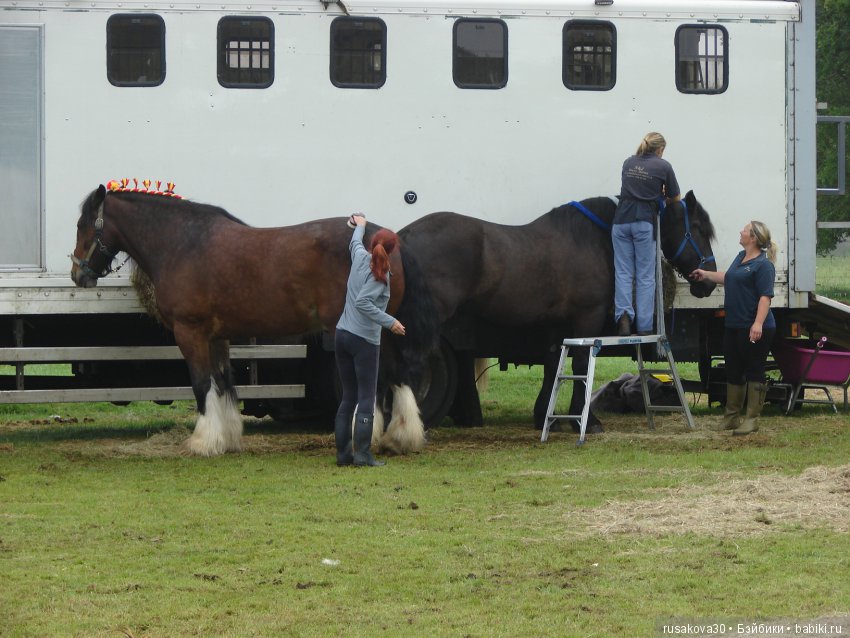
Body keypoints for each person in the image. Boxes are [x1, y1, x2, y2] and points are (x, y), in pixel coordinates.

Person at [690, 221, 777, 435]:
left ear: (753, 238)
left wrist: (757, 323)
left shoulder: (764, 265)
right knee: (733, 369)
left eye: (745, 230)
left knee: (754, 370)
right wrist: (706, 274)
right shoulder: (740, 257)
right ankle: (731, 417)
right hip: (734, 325)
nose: (740, 231)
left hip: (755, 326)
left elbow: (765, 298)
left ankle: (752, 419)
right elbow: (729, 278)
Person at [334, 213, 406, 466]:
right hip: (363, 340)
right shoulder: (381, 276)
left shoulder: (359, 257)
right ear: (391, 251)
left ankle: (343, 455)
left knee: (348, 397)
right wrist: (390, 322)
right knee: (366, 397)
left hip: (342, 334)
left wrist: (360, 226)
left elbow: (354, 242)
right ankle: (363, 454)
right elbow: (363, 302)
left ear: (373, 243)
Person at [613, 132, 681, 336]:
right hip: (643, 222)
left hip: (620, 222)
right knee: (645, 275)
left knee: (623, 272)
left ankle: (624, 318)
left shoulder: (628, 162)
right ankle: (644, 326)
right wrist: (663, 198)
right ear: (660, 149)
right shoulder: (663, 166)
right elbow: (676, 197)